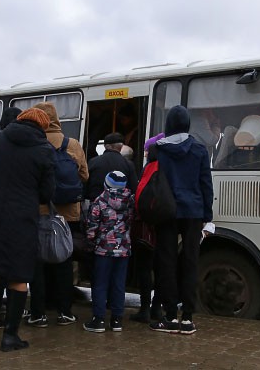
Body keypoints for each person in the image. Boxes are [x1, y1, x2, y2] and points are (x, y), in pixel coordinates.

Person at [0, 107, 55, 351]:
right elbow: (47, 192)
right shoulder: (45, 149)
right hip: (22, 215)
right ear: (42, 127)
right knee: (18, 275)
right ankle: (9, 336)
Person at [150, 105, 213, 335]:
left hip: (166, 211)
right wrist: (207, 215)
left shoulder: (158, 150)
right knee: (190, 262)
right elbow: (206, 183)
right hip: (194, 211)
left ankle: (168, 316)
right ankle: (187, 318)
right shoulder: (199, 149)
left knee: (166, 263)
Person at [28, 102, 88, 327]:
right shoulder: (72, 144)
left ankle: (39, 311)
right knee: (64, 261)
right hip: (68, 215)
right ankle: (65, 312)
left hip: (40, 210)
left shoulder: (34, 144)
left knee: (39, 262)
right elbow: (84, 175)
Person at [84, 171, 134, 332]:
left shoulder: (100, 201)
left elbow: (92, 227)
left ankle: (98, 320)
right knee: (118, 284)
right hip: (124, 249)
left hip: (104, 250)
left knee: (100, 284)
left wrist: (91, 243)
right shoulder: (130, 201)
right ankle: (117, 320)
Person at [129, 133, 164, 324]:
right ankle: (157, 309)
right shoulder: (170, 168)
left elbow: (140, 196)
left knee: (144, 269)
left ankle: (144, 309)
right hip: (165, 226)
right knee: (161, 269)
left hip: (147, 227)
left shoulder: (149, 168)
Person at [84, 132, 138, 202]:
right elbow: (134, 189)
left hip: (97, 207)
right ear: (121, 147)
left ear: (105, 146)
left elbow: (85, 185)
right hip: (120, 207)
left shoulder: (93, 162)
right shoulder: (128, 164)